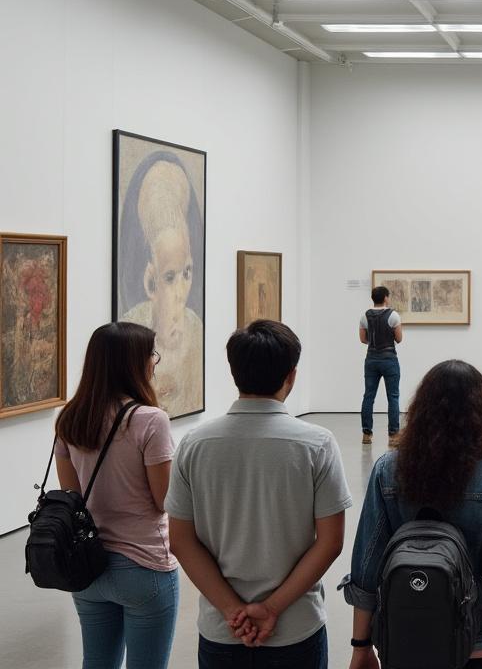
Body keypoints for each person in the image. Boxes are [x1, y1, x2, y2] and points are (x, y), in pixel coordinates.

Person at [167, 320, 351, 668]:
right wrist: (270, 608)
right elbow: (330, 542)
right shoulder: (317, 445)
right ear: (291, 376)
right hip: (295, 628)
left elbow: (181, 541)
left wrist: (231, 610)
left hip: (223, 630)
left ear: (234, 372)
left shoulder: (194, 445)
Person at [345, 360, 482, 669]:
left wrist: (360, 645)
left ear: (420, 408)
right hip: (477, 639)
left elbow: (367, 564)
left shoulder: (387, 470)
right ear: (481, 412)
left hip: (404, 634)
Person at [53, 322, 179, 669]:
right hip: (144, 566)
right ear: (133, 363)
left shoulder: (69, 418)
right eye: (151, 355)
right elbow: (163, 501)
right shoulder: (151, 420)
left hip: (88, 566)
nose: (155, 362)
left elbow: (72, 500)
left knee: (97, 662)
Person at [118, 152, 205, 417]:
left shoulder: (195, 330)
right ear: (150, 282)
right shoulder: (131, 330)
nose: (181, 293)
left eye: (187, 273)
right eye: (170, 277)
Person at [359, 286, 403, 447]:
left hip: (371, 359)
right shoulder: (393, 315)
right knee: (393, 397)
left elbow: (363, 339)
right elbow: (399, 338)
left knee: (368, 396)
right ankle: (393, 436)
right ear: (385, 297)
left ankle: (366, 434)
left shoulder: (364, 315)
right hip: (389, 359)